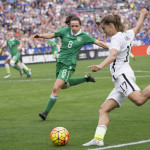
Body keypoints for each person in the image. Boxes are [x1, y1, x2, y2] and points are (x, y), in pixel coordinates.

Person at [83, 9, 149, 147]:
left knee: (139, 99)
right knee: (103, 109)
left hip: (122, 75)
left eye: (104, 28)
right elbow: (137, 28)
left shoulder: (116, 38)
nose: (104, 31)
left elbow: (112, 55)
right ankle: (98, 139)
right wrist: (142, 14)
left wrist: (100, 66)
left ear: (111, 25)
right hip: (121, 79)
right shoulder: (127, 34)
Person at [33, 15, 109, 121]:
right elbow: (53, 35)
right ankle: (86, 79)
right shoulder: (65, 31)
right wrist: (41, 35)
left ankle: (45, 113)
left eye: (76, 26)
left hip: (69, 65)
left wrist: (113, 48)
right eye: (72, 26)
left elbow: (99, 43)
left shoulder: (84, 36)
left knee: (56, 88)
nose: (73, 28)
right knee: (63, 86)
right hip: (60, 63)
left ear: (80, 26)